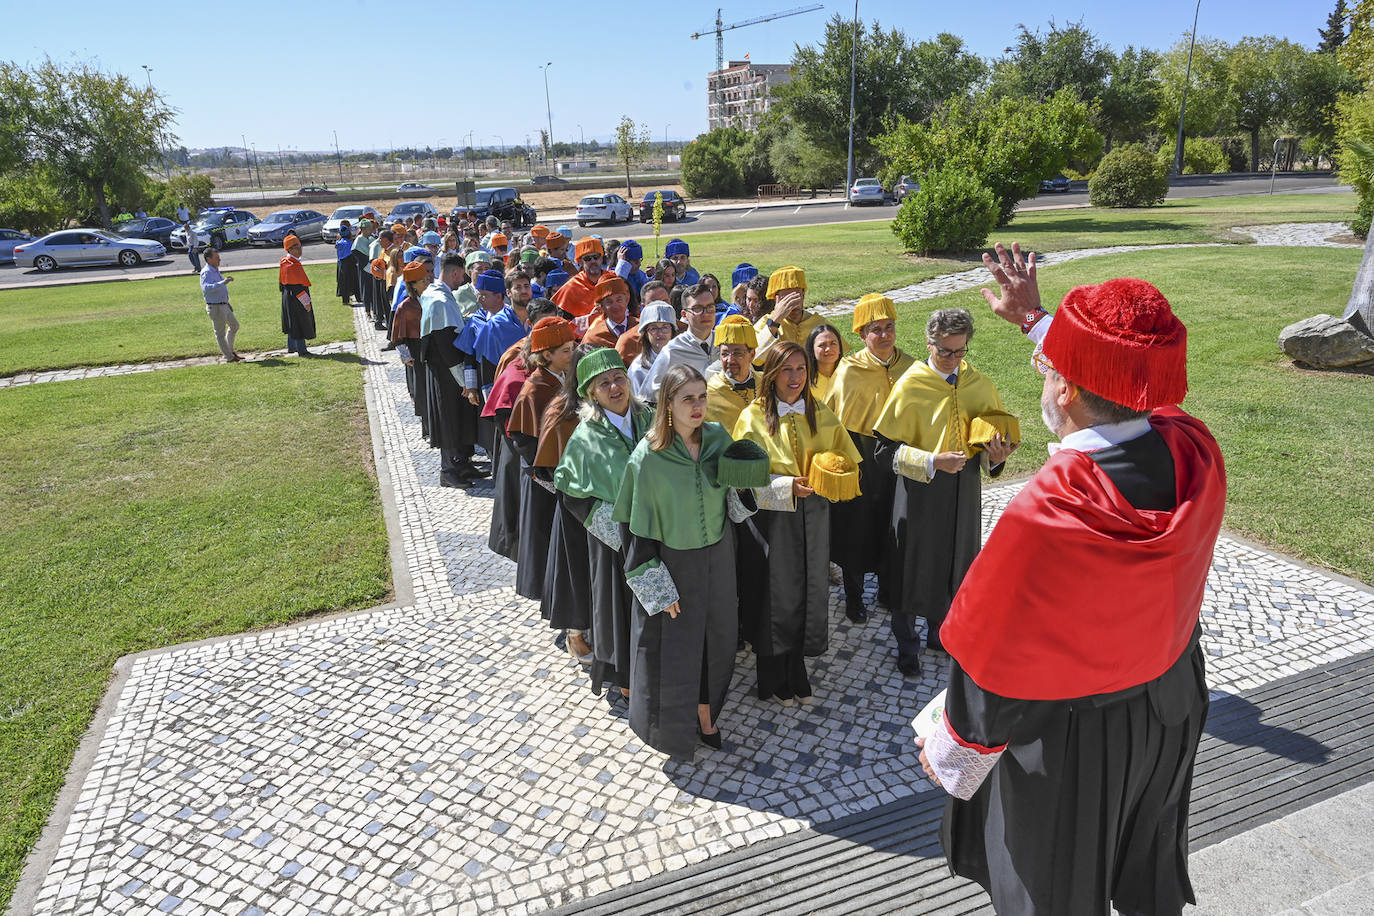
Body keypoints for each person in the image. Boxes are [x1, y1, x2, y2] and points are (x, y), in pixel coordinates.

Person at [916, 242, 1226, 916]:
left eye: (1050, 366)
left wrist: (953, 751)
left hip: (1070, 744)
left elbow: (989, 655)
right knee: (1140, 862)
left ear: (1067, 388)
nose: (1044, 375)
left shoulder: (1053, 510)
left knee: (1051, 889)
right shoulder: (1193, 449)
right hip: (1169, 708)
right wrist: (1039, 324)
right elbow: (1136, 389)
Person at [612, 365, 748, 756]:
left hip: (719, 557)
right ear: (667, 404)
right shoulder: (648, 457)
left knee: (718, 637)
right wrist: (657, 587)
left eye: (702, 396)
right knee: (674, 647)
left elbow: (735, 503)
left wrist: (748, 484)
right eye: (688, 398)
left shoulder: (719, 439)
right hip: (673, 564)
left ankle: (707, 713)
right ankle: (669, 728)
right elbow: (634, 532)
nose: (698, 406)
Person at [872, 308, 1017, 677]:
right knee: (911, 566)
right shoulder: (910, 384)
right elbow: (883, 452)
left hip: (964, 491)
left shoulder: (978, 384)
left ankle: (942, 633)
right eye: (945, 352)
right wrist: (931, 461)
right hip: (918, 493)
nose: (953, 360)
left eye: (960, 351)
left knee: (956, 563)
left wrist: (996, 457)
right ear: (929, 343)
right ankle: (907, 645)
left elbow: (988, 445)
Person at [732, 342, 862, 706]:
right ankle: (771, 673)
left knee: (809, 586)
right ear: (771, 373)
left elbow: (846, 456)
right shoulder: (753, 416)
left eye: (801, 369)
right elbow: (740, 478)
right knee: (777, 594)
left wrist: (834, 471)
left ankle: (797, 667)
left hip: (815, 518)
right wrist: (786, 485)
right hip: (773, 521)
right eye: (787, 370)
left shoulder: (818, 410)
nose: (795, 378)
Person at [555, 348, 653, 702]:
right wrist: (618, 536)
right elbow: (572, 493)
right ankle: (624, 674)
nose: (615, 387)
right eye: (604, 383)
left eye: (619, 378)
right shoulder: (586, 438)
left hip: (657, 527)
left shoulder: (651, 419)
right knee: (620, 607)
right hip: (614, 540)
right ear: (591, 393)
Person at [822, 295, 914, 622]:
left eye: (889, 327)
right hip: (859, 455)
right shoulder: (848, 370)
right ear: (862, 334)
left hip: (898, 457)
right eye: (876, 330)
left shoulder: (912, 368)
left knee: (895, 524)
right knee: (856, 528)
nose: (885, 335)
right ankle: (854, 594)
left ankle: (890, 588)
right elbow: (832, 420)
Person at [507, 317, 577, 600]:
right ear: (546, 355)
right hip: (543, 478)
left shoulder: (563, 378)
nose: (572, 356)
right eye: (565, 351)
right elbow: (524, 439)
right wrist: (546, 476)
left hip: (562, 471)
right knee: (545, 535)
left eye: (572, 349)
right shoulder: (535, 389)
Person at [418, 251, 482, 487]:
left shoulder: (437, 293)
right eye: (461, 276)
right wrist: (464, 379)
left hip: (448, 369)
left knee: (460, 417)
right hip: (447, 372)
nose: (462, 280)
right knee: (449, 419)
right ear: (455, 272)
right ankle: (448, 470)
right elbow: (445, 344)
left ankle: (462, 463)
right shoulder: (441, 301)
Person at [641, 283, 719, 398]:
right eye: (697, 308)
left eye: (710, 307)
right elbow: (651, 393)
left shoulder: (724, 343)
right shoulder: (672, 351)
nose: (706, 313)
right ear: (684, 314)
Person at [391, 260, 430, 436]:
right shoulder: (405, 307)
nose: (427, 283)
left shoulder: (433, 299)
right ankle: (427, 427)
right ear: (413, 285)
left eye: (427, 279)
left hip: (432, 348)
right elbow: (398, 338)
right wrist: (407, 357)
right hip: (416, 351)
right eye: (422, 281)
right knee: (421, 389)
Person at [754, 267, 824, 361]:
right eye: (786, 299)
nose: (792, 304)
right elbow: (755, 359)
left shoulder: (819, 324)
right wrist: (774, 322)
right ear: (776, 299)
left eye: (796, 297)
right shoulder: (765, 323)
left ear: (803, 295)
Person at [704, 315, 756, 429]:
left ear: (752, 355)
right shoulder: (708, 393)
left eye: (738, 354)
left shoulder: (767, 384)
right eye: (725, 354)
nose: (730, 360)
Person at [552, 237, 609, 325]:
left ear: (601, 259)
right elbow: (564, 324)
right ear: (580, 262)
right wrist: (587, 320)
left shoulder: (612, 280)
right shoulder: (571, 287)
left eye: (596, 257)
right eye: (587, 258)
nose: (593, 261)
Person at [627, 302, 677, 396]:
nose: (660, 333)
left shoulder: (684, 358)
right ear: (646, 333)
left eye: (665, 327)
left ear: (672, 331)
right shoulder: (637, 369)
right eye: (653, 328)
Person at [199, 246, 240, 363]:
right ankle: (229, 357)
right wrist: (224, 282)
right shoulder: (206, 272)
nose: (219, 260)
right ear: (208, 259)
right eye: (217, 258)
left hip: (223, 305)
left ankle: (230, 351)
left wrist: (227, 303)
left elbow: (219, 290)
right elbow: (206, 288)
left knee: (235, 326)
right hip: (215, 307)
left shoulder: (215, 270)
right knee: (220, 333)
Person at [278, 235, 315, 357]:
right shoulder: (292, 265)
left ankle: (291, 346)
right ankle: (302, 350)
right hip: (296, 297)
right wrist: (306, 302)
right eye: (296, 247)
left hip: (288, 296)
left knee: (291, 321)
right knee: (299, 321)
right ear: (289, 249)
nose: (300, 249)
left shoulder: (284, 261)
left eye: (300, 246)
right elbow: (298, 287)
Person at [582, 275, 636, 351]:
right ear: (602, 307)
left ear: (626, 301)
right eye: (609, 302)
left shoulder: (640, 328)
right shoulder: (593, 338)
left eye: (619, 300)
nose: (615, 306)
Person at [805, 323, 845, 402]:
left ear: (839, 348)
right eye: (822, 345)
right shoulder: (804, 380)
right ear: (812, 350)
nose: (828, 349)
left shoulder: (849, 375)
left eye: (833, 344)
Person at [335, 223, 357, 305]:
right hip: (349, 263)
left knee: (342, 281)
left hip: (341, 263)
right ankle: (353, 295)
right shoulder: (350, 243)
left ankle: (345, 299)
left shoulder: (338, 243)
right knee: (349, 280)